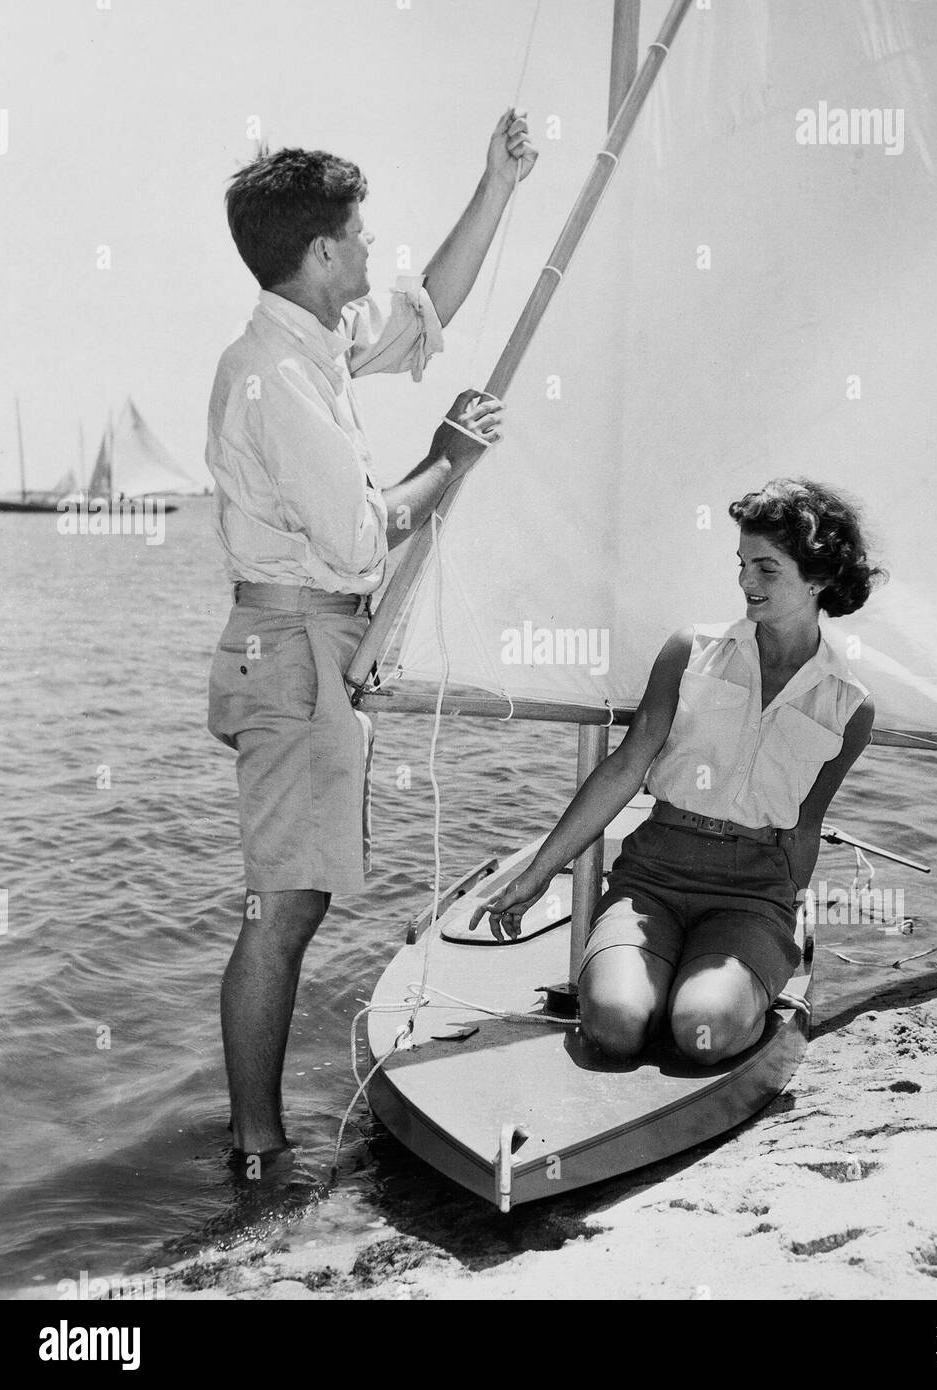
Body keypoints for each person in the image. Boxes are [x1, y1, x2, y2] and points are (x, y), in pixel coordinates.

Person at [206, 112, 537, 1161]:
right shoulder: (276, 375)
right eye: (361, 234)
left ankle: (258, 1142)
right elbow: (359, 544)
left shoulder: (316, 340)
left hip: (308, 653)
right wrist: (452, 453)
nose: (374, 248)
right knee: (282, 911)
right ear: (320, 253)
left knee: (288, 906)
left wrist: (498, 186)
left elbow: (428, 306)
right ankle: (258, 1154)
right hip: (296, 652)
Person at [471, 479, 884, 1065]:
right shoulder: (691, 650)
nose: (745, 582)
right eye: (741, 564)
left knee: (702, 1031)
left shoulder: (851, 704)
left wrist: (779, 922)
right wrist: (537, 875)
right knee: (615, 1026)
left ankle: (728, 991)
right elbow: (624, 767)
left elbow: (805, 825)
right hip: (656, 873)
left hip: (753, 891)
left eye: (766, 569)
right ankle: (672, 986)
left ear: (818, 577)